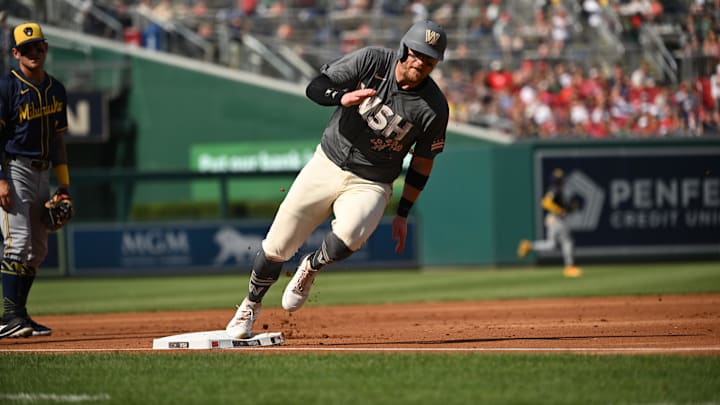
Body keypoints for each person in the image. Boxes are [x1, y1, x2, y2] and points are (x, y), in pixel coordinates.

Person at [226, 20, 449, 338]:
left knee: (351, 235)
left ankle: (310, 266)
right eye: (417, 52)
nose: (420, 61)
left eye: (429, 58)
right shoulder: (373, 60)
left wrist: (403, 212)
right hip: (327, 162)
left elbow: (423, 162)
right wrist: (340, 97)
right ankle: (249, 305)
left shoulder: (434, 107)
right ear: (404, 48)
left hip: (371, 181)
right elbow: (315, 86)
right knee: (276, 247)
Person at [0, 22, 72, 338]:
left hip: (43, 173)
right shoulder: (7, 87)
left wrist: (65, 186)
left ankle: (20, 315)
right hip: (14, 169)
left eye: (38, 46)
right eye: (26, 48)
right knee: (18, 244)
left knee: (38, 250)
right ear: (15, 53)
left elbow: (58, 144)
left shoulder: (56, 89)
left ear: (46, 49)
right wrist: (0, 179)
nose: (34, 52)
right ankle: (7, 317)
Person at [517, 168, 583, 278]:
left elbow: (562, 207)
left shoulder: (558, 190)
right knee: (567, 241)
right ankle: (569, 267)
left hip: (553, 219)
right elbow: (545, 202)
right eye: (560, 179)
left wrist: (569, 209)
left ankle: (529, 245)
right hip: (556, 219)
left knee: (551, 244)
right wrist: (559, 210)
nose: (562, 180)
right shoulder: (555, 189)